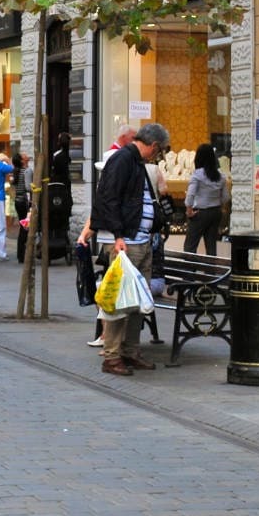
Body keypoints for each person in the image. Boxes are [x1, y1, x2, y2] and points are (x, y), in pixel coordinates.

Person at [89, 123, 170, 376]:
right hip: (128, 242)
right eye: (159, 152)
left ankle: (130, 351)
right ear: (154, 146)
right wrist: (118, 235)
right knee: (121, 302)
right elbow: (108, 197)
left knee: (138, 301)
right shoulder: (124, 159)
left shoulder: (135, 162)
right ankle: (113, 356)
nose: (158, 157)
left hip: (142, 240)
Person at [183, 143, 230, 255]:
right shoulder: (220, 175)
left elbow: (190, 195)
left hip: (199, 213)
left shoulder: (197, 175)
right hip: (216, 212)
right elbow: (226, 197)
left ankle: (191, 271)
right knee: (211, 246)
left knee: (190, 246)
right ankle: (211, 272)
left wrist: (189, 211)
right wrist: (216, 203)